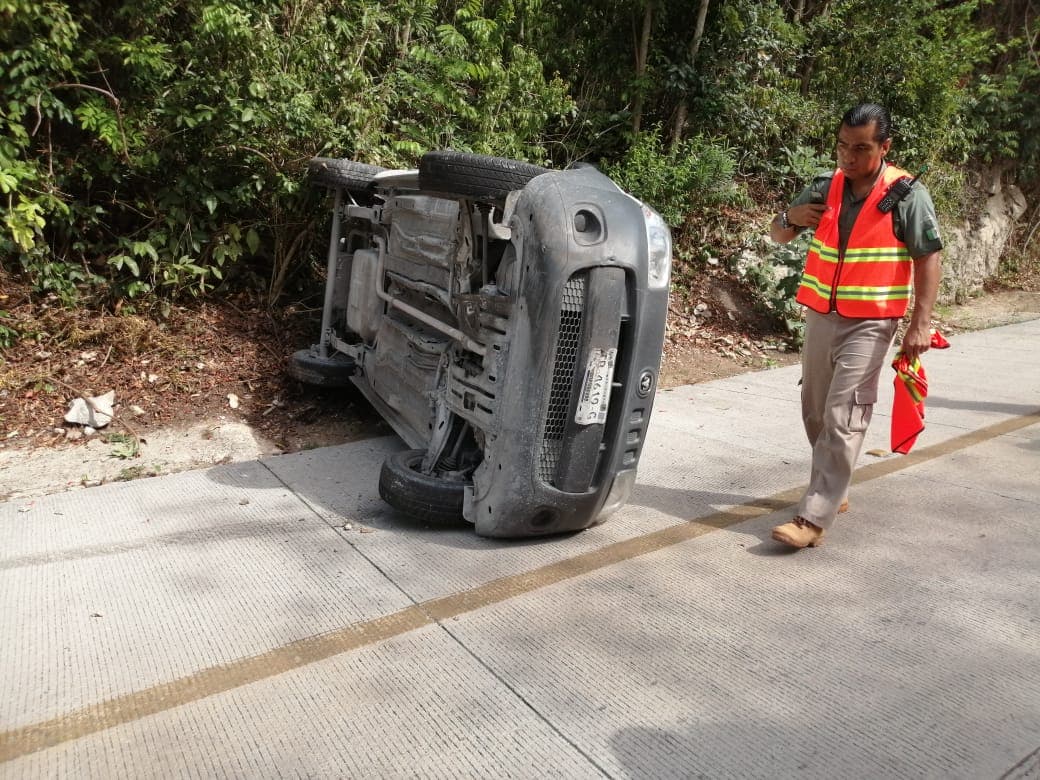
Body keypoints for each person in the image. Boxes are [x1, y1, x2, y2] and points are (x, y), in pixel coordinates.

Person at [769, 103, 942, 549]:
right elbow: (778, 233)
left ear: (884, 146)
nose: (849, 157)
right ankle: (833, 484)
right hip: (822, 314)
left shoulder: (905, 194)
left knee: (845, 413)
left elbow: (928, 256)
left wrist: (920, 322)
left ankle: (813, 517)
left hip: (872, 319)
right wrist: (791, 219)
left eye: (861, 148)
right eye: (843, 146)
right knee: (816, 408)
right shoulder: (826, 185)